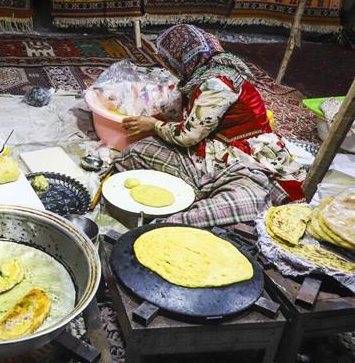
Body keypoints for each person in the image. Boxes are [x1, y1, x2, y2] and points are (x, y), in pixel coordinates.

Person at [115, 24, 305, 227]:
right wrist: (158, 116)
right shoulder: (202, 72)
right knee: (134, 153)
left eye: (167, 60)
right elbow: (185, 114)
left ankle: (167, 225)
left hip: (246, 163)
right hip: (210, 153)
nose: (167, 65)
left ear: (181, 58)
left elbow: (188, 135)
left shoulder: (217, 84)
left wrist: (154, 125)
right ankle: (197, 190)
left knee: (243, 203)